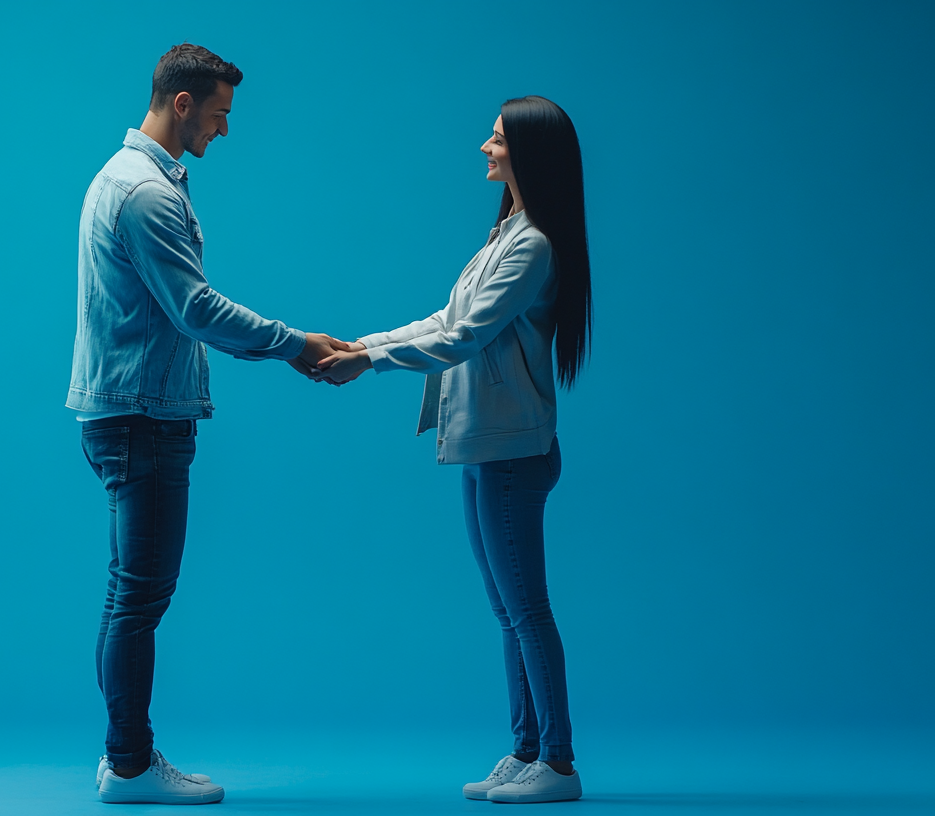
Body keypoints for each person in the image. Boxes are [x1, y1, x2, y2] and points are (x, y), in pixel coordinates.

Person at [67, 43, 348, 805]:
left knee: (131, 596)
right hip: (143, 419)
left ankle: (123, 758)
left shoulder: (126, 180)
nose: (226, 130)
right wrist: (295, 345)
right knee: (139, 600)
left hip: (129, 413)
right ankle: (127, 765)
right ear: (183, 103)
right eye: (220, 114)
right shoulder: (145, 194)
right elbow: (195, 307)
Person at [315, 95, 593, 805]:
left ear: (527, 152)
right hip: (483, 446)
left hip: (511, 452)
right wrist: (364, 344)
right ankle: (525, 748)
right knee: (508, 610)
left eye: (496, 139)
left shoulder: (533, 244)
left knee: (528, 608)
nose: (484, 147)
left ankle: (558, 764)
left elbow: (464, 339)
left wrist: (368, 364)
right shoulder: (506, 232)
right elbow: (449, 317)